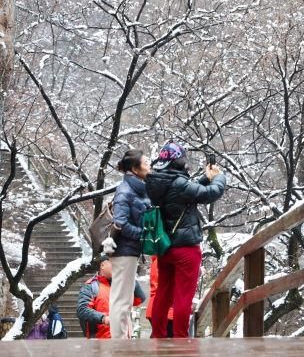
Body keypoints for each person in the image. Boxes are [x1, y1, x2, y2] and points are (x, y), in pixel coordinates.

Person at [146, 141, 225, 338]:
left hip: (165, 247)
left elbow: (185, 190)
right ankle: (181, 339)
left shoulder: (156, 181)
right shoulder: (179, 183)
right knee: (183, 296)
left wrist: (205, 178)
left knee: (163, 294)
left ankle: (158, 336)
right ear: (178, 162)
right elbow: (210, 194)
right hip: (186, 249)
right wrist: (219, 177)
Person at [109, 149, 151, 338]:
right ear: (134, 169)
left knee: (124, 300)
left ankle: (122, 341)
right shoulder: (125, 191)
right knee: (121, 300)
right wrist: (142, 235)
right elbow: (120, 222)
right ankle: (118, 344)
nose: (149, 165)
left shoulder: (136, 189)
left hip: (130, 251)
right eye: (145, 163)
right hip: (124, 251)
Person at [76, 257, 146, 339]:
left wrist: (129, 276)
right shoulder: (90, 286)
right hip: (99, 342)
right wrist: (103, 318)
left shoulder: (121, 285)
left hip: (123, 340)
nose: (118, 266)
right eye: (114, 263)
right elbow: (82, 309)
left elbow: (140, 299)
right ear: (102, 265)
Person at [145, 255, 174, 337]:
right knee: (168, 343)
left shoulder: (157, 260)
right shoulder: (167, 260)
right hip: (167, 309)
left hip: (155, 307)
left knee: (158, 338)